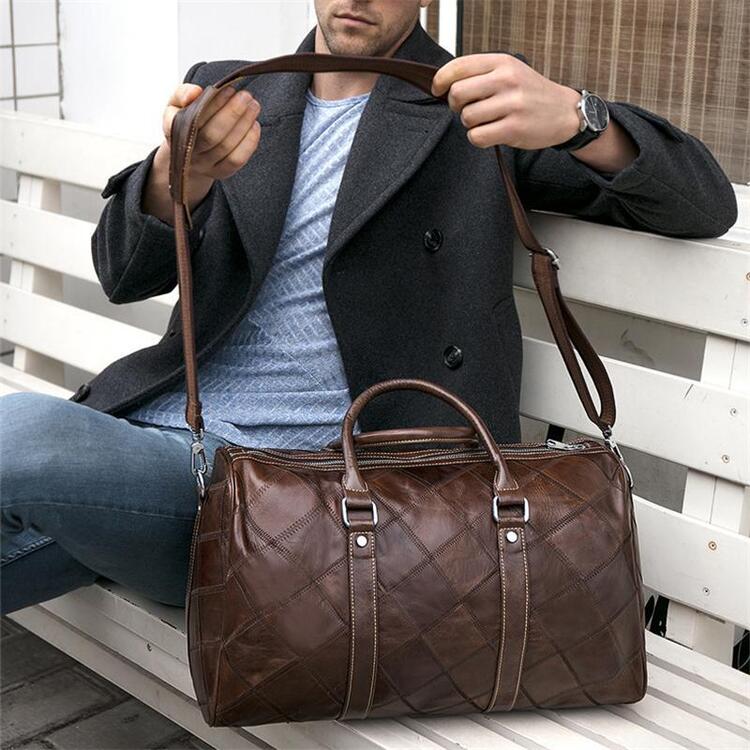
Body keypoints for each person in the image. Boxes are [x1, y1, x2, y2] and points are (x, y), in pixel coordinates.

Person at [0, 0, 737, 616]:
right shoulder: (233, 91)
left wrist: (580, 117)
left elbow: (704, 203)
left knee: (21, 431)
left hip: (316, 504)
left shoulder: (474, 107)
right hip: (165, 454)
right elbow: (122, 272)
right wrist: (174, 179)